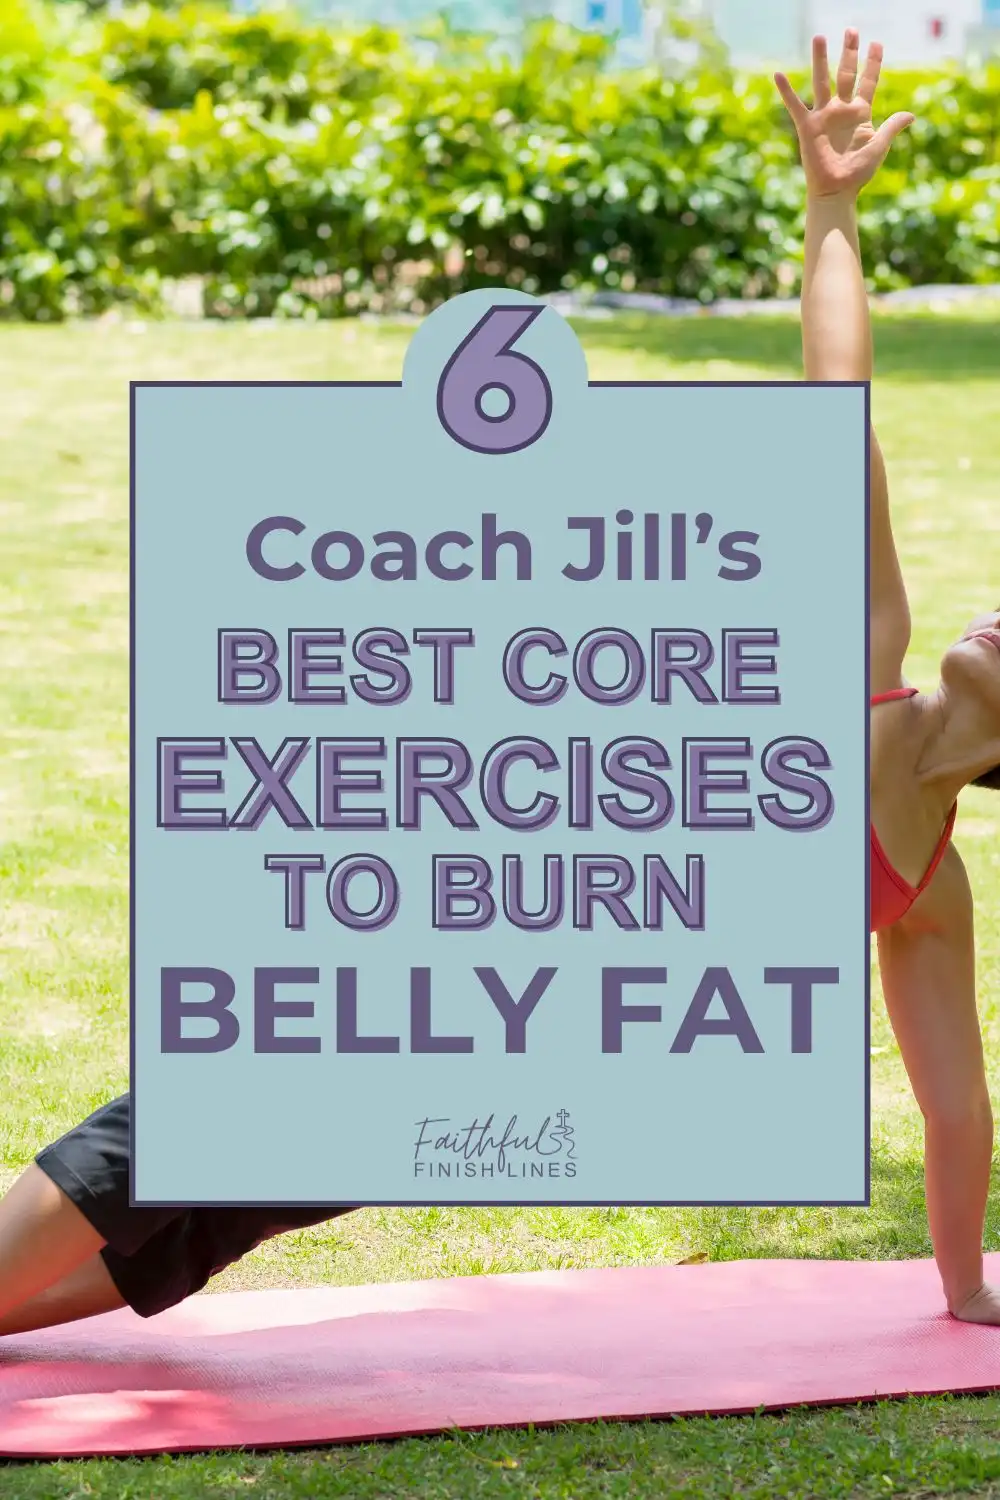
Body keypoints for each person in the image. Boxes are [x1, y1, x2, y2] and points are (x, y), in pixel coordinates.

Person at [776, 29, 1000, 1322]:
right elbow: (834, 404)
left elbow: (958, 1103)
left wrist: (966, 1291)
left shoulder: (934, 886)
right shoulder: (864, 648)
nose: (990, 615)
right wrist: (831, 207)